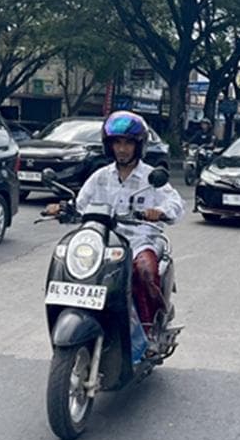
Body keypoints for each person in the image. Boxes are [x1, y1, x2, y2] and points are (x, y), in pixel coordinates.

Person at [43, 111, 184, 342]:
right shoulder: (100, 176)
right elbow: (80, 203)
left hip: (140, 240)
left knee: (145, 271)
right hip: (105, 240)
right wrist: (61, 208)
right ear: (109, 146)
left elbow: (175, 202)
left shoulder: (151, 177)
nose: (122, 148)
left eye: (128, 143)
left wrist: (160, 212)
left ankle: (150, 327)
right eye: (117, 142)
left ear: (138, 146)